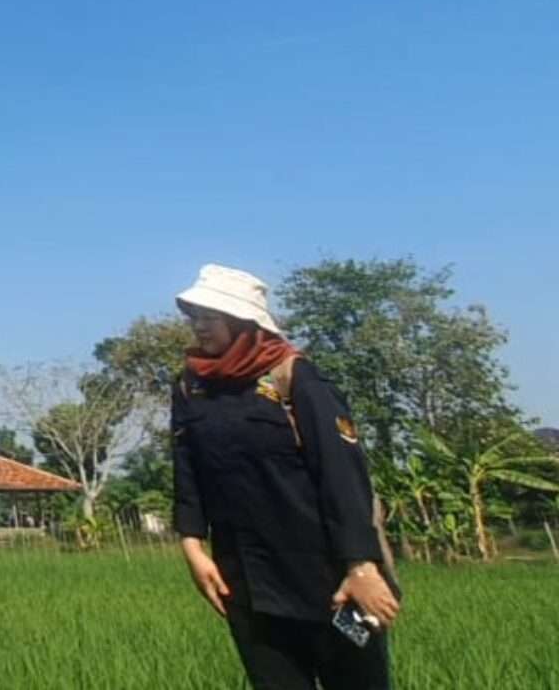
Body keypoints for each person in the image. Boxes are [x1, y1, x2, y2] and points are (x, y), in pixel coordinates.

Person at [170, 264, 401, 690]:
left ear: (242, 322)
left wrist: (361, 566)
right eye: (194, 316)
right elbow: (187, 470)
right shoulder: (192, 387)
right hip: (245, 582)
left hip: (329, 579)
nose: (198, 326)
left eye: (209, 316)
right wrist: (193, 548)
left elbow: (343, 475)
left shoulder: (294, 377)